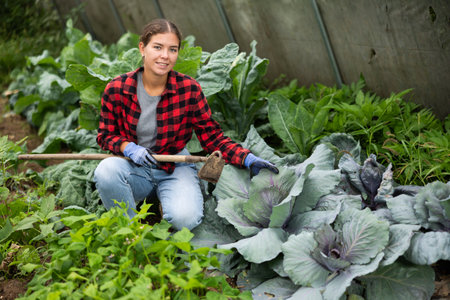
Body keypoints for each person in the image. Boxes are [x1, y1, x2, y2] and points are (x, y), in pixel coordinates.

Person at [94, 19, 278, 231]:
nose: (165, 56)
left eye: (172, 49)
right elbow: (105, 135)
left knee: (185, 219)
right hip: (134, 168)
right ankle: (128, 232)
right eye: (157, 47)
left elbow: (212, 137)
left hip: (174, 166)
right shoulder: (117, 88)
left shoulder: (188, 89)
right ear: (142, 48)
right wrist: (128, 147)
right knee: (106, 170)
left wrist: (247, 159)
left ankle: (160, 201)